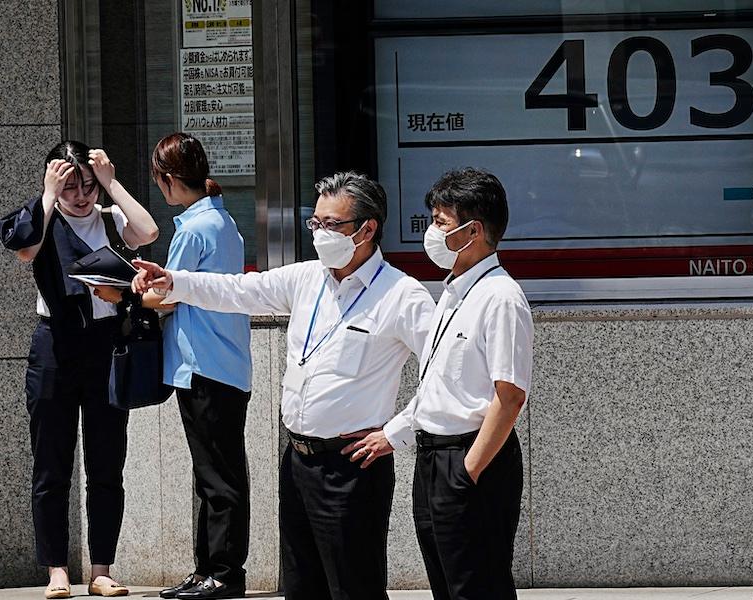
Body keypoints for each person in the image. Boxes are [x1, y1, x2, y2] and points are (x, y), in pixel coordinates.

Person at [132, 171, 434, 600]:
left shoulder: (402, 295)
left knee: (354, 587)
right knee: (300, 585)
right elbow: (238, 290)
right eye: (317, 223)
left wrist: (396, 433)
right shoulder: (308, 279)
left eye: (334, 225)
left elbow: (443, 371)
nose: (321, 233)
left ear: (367, 230)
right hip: (298, 461)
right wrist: (175, 281)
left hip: (352, 467)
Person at [352, 168, 534, 600]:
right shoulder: (453, 290)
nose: (431, 232)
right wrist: (394, 434)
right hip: (434, 459)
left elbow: (509, 397)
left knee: (477, 584)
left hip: (471, 459)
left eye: (440, 222)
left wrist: (468, 471)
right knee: (447, 583)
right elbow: (438, 384)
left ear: (473, 231)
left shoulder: (501, 297)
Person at [0, 141, 159, 599]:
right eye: (70, 186)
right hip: (55, 345)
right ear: (54, 184)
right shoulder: (43, 219)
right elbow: (25, 249)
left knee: (107, 462)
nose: (81, 196)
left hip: (106, 345)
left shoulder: (109, 219)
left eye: (87, 185)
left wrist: (112, 182)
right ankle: (56, 570)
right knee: (51, 464)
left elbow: (146, 232)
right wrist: (48, 197)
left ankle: (102, 568)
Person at [134, 133, 254, 600]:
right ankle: (209, 569)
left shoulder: (193, 229)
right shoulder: (222, 221)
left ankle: (222, 573)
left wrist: (125, 290)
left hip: (204, 366)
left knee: (217, 479)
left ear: (166, 181)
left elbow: (165, 294)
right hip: (224, 364)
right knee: (216, 475)